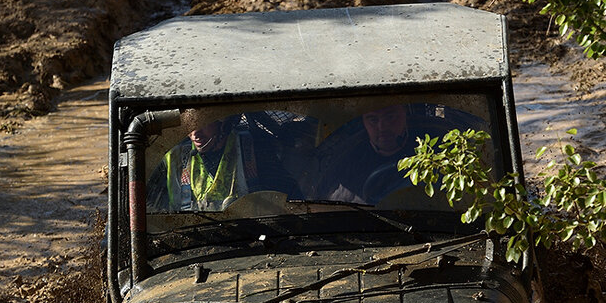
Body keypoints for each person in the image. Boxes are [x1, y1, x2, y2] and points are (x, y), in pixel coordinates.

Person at [148, 109, 299, 211]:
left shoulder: (253, 151)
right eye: (189, 125)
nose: (195, 133)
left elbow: (287, 197)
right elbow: (149, 207)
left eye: (203, 124)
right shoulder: (173, 159)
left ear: (224, 125)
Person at [322, 103, 418, 204]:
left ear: (405, 114)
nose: (382, 127)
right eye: (373, 119)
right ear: (364, 122)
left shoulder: (428, 152)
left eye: (390, 117)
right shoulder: (348, 161)